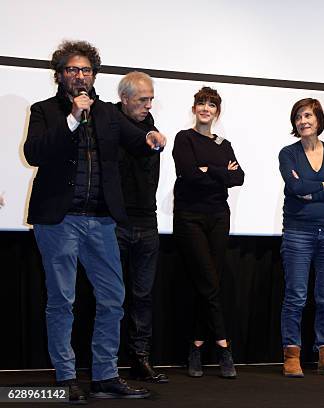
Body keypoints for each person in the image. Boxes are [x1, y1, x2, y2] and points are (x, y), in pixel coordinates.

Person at [23, 40, 166, 403]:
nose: (80, 76)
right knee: (62, 300)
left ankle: (105, 376)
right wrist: (72, 118)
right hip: (58, 220)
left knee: (113, 299)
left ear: (94, 75)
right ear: (60, 75)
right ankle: (67, 377)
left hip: (101, 220)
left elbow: (137, 139)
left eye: (86, 70)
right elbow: (34, 152)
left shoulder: (106, 113)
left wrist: (150, 136)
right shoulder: (44, 111)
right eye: (73, 69)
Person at [172, 85, 243, 379]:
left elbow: (238, 177)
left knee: (209, 282)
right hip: (190, 218)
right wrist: (220, 173)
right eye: (201, 103)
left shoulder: (224, 144)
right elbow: (187, 174)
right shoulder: (183, 138)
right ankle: (224, 345)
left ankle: (197, 345)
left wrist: (209, 170)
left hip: (218, 217)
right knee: (208, 280)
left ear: (217, 111)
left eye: (211, 105)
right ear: (193, 109)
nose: (205, 108)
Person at [278, 98, 324, 378]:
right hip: (298, 232)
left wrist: (314, 189)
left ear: (318, 119)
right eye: (298, 117)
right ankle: (291, 356)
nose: (303, 121)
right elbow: (295, 186)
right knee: (296, 296)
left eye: (307, 115)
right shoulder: (288, 153)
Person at [115, 71, 168, 383]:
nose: (148, 105)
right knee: (110, 297)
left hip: (147, 222)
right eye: (142, 99)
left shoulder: (153, 130)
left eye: (151, 99)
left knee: (143, 296)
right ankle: (105, 362)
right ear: (124, 99)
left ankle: (140, 359)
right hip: (115, 223)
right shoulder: (109, 123)